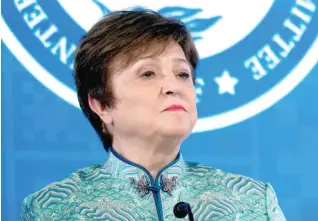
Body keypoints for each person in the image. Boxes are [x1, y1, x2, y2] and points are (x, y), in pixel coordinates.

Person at [20, 9, 286, 221]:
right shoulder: (52, 209)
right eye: (148, 73)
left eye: (183, 74)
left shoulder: (253, 201)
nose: (173, 86)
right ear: (100, 104)